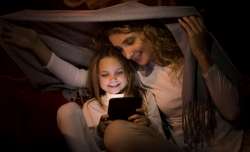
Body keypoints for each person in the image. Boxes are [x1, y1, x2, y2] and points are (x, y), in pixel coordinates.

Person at [0, 15, 243, 151]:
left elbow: (232, 111)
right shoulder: (135, 73)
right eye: (119, 48)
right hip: (180, 148)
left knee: (116, 134)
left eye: (130, 41)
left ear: (150, 32)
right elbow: (78, 77)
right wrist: (35, 45)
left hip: (232, 145)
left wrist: (201, 54)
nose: (126, 54)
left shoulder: (189, 61)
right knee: (107, 129)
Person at [57, 46, 181, 152]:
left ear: (128, 73)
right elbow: (89, 143)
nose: (113, 79)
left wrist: (147, 124)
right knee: (67, 110)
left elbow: (161, 135)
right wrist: (99, 132)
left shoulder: (145, 96)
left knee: (118, 133)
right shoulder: (91, 106)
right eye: (105, 75)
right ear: (97, 78)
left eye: (119, 72)